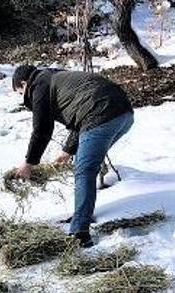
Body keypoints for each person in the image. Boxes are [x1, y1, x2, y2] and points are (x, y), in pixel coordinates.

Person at [12, 64, 134, 248]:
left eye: (20, 93)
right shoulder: (56, 77)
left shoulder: (39, 85)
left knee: (84, 170)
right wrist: (67, 151)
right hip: (123, 114)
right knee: (85, 166)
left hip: (102, 114)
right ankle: (82, 215)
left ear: (24, 83)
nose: (23, 98)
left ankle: (80, 233)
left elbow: (42, 129)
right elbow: (84, 109)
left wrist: (29, 163)